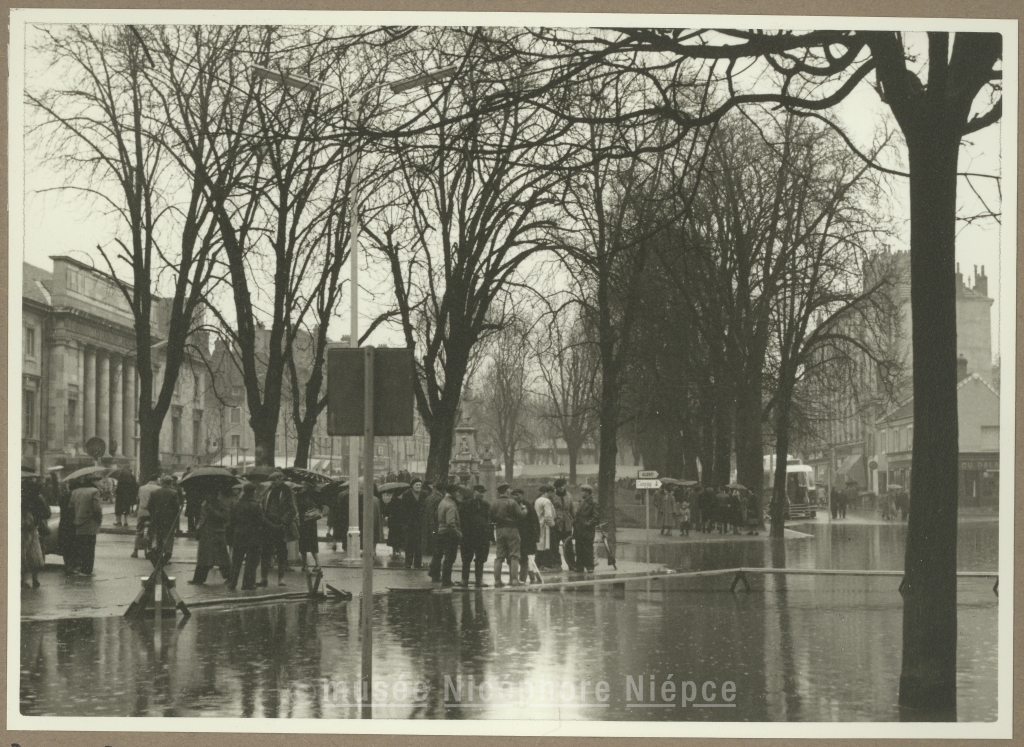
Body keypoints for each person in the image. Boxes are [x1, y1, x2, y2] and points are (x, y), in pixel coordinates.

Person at [226, 482, 266, 591]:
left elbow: (230, 522)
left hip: (238, 534)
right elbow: (261, 521)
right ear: (253, 492)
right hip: (253, 536)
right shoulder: (256, 505)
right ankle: (247, 584)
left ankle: (232, 583)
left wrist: (230, 537)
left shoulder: (235, 504)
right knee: (251, 561)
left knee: (236, 561)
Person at [189, 487, 232, 584]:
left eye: (208, 494)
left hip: (216, 533)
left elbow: (225, 517)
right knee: (204, 558)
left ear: (214, 495)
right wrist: (198, 527)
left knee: (222, 558)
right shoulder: (205, 504)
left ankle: (229, 578)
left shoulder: (221, 504)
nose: (206, 496)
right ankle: (199, 579)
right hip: (205, 533)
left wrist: (212, 510)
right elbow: (202, 517)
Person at [261, 472, 297, 587]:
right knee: (265, 552)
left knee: (281, 552)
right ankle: (263, 578)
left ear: (281, 479)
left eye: (276, 479)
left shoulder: (287, 491)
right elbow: (263, 506)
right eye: (272, 480)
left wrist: (283, 521)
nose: (273, 482)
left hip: (280, 526)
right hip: (268, 525)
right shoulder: (268, 491)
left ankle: (281, 578)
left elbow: (292, 510)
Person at [489, 484, 526, 588]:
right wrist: (524, 510)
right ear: (507, 491)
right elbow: (520, 516)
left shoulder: (494, 503)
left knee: (499, 557)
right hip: (512, 529)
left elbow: (491, 519)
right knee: (514, 555)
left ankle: (497, 581)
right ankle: (514, 580)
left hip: (499, 530)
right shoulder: (512, 502)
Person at [70, 474, 104, 576]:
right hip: (90, 523)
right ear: (93, 481)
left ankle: (80, 567)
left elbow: (71, 506)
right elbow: (97, 508)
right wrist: (99, 520)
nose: (100, 483)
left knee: (80, 546)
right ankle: (87, 569)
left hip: (78, 522)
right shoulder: (94, 491)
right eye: (98, 480)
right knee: (89, 547)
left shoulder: (75, 491)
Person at [459, 484, 491, 587]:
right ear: (474, 492)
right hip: (468, 535)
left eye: (483, 492)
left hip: (482, 536)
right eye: (479, 492)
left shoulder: (486, 505)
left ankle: (479, 580)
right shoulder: (465, 504)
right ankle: (464, 579)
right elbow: (461, 519)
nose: (481, 494)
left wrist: (488, 535)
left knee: (480, 558)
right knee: (466, 558)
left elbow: (488, 520)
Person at [22, 477, 51, 588]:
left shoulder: (17, 496)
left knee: (22, 554)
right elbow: (47, 513)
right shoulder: (38, 498)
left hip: (21, 529)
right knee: (35, 554)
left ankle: (22, 579)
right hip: (34, 529)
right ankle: (35, 579)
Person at [148, 475, 181, 566]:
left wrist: (154, 515)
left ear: (162, 483)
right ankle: (167, 556)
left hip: (157, 519)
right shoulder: (173, 493)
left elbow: (149, 506)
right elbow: (176, 508)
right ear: (170, 483)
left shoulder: (154, 492)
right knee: (169, 539)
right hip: (169, 520)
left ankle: (159, 556)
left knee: (159, 538)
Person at [435, 481, 462, 587]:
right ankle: (447, 580)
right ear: (453, 493)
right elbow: (451, 523)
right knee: (450, 557)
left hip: (442, 531)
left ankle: (445, 579)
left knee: (447, 557)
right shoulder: (451, 505)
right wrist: (458, 534)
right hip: (449, 534)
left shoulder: (443, 502)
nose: (458, 493)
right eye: (457, 491)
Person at [571, 484, 600, 573]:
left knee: (587, 548)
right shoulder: (582, 502)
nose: (581, 493)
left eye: (582, 491)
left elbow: (596, 517)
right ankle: (580, 566)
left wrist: (588, 524)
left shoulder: (593, 503)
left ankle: (589, 566)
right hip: (579, 529)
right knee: (579, 548)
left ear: (587, 492)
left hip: (587, 530)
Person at [516, 487, 542, 584]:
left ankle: (524, 579)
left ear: (522, 495)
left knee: (526, 558)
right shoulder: (514, 505)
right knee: (525, 558)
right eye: (514, 495)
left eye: (517, 495)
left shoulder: (528, 506)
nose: (515, 497)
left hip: (527, 536)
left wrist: (536, 536)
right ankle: (532, 578)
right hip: (521, 535)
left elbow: (534, 522)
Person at [132, 473, 160, 559]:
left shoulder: (142, 488)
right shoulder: (158, 489)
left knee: (139, 531)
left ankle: (135, 551)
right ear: (156, 480)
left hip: (142, 512)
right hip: (152, 513)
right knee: (152, 532)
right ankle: (149, 550)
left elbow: (139, 498)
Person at [295, 484, 323, 570]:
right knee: (312, 544)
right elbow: (320, 508)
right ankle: (316, 564)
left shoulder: (300, 495)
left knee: (303, 543)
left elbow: (299, 507)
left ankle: (305, 564)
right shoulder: (316, 495)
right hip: (311, 523)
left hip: (304, 522)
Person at [401, 480, 427, 569]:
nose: (418, 486)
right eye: (417, 485)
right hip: (409, 523)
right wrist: (404, 523)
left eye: (420, 485)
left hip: (420, 523)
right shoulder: (406, 495)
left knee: (419, 544)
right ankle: (408, 563)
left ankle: (418, 563)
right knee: (409, 544)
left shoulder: (424, 495)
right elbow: (403, 510)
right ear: (412, 486)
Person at [550, 478, 573, 570]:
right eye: (559, 486)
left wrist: (574, 520)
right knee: (554, 545)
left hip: (567, 524)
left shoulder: (569, 495)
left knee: (569, 545)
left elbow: (571, 509)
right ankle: (557, 564)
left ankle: (571, 564)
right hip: (556, 524)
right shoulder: (553, 496)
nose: (562, 487)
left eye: (563, 485)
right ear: (556, 487)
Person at [57, 476, 78, 574]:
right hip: (71, 523)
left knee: (65, 545)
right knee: (72, 545)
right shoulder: (72, 496)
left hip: (63, 523)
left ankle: (67, 564)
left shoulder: (62, 497)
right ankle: (71, 565)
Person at [425, 483, 445, 582]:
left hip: (429, 527)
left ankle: (433, 571)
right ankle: (435, 573)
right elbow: (438, 515)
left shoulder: (429, 498)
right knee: (438, 552)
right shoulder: (440, 500)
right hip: (436, 527)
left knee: (436, 551)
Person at [533, 484, 556, 568]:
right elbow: (548, 516)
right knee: (545, 545)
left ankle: (539, 564)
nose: (554, 495)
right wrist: (553, 525)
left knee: (540, 544)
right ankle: (543, 564)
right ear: (550, 492)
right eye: (554, 493)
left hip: (538, 524)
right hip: (545, 526)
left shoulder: (538, 500)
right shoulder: (547, 501)